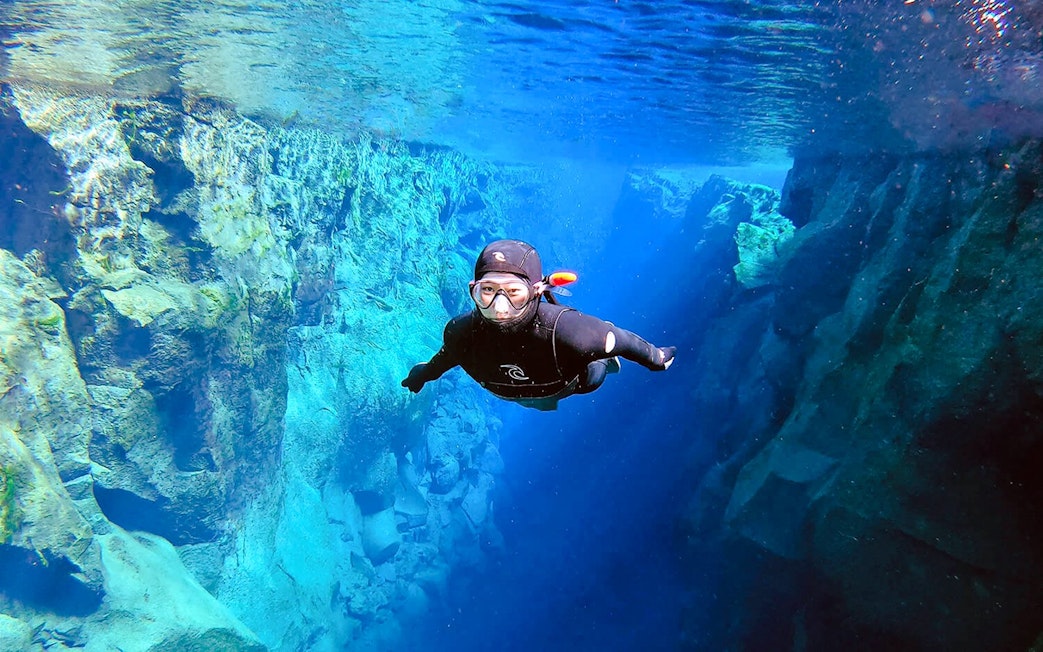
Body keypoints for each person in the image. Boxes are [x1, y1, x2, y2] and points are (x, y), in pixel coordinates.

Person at [401, 239, 676, 411]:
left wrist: (657, 358)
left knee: (595, 369)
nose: (499, 307)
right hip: (518, 393)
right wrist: (423, 375)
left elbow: (622, 339)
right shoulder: (460, 332)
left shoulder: (571, 332)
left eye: (513, 292)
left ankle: (602, 361)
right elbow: (447, 357)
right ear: (473, 289)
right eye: (487, 291)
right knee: (539, 404)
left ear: (534, 291)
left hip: (571, 383)